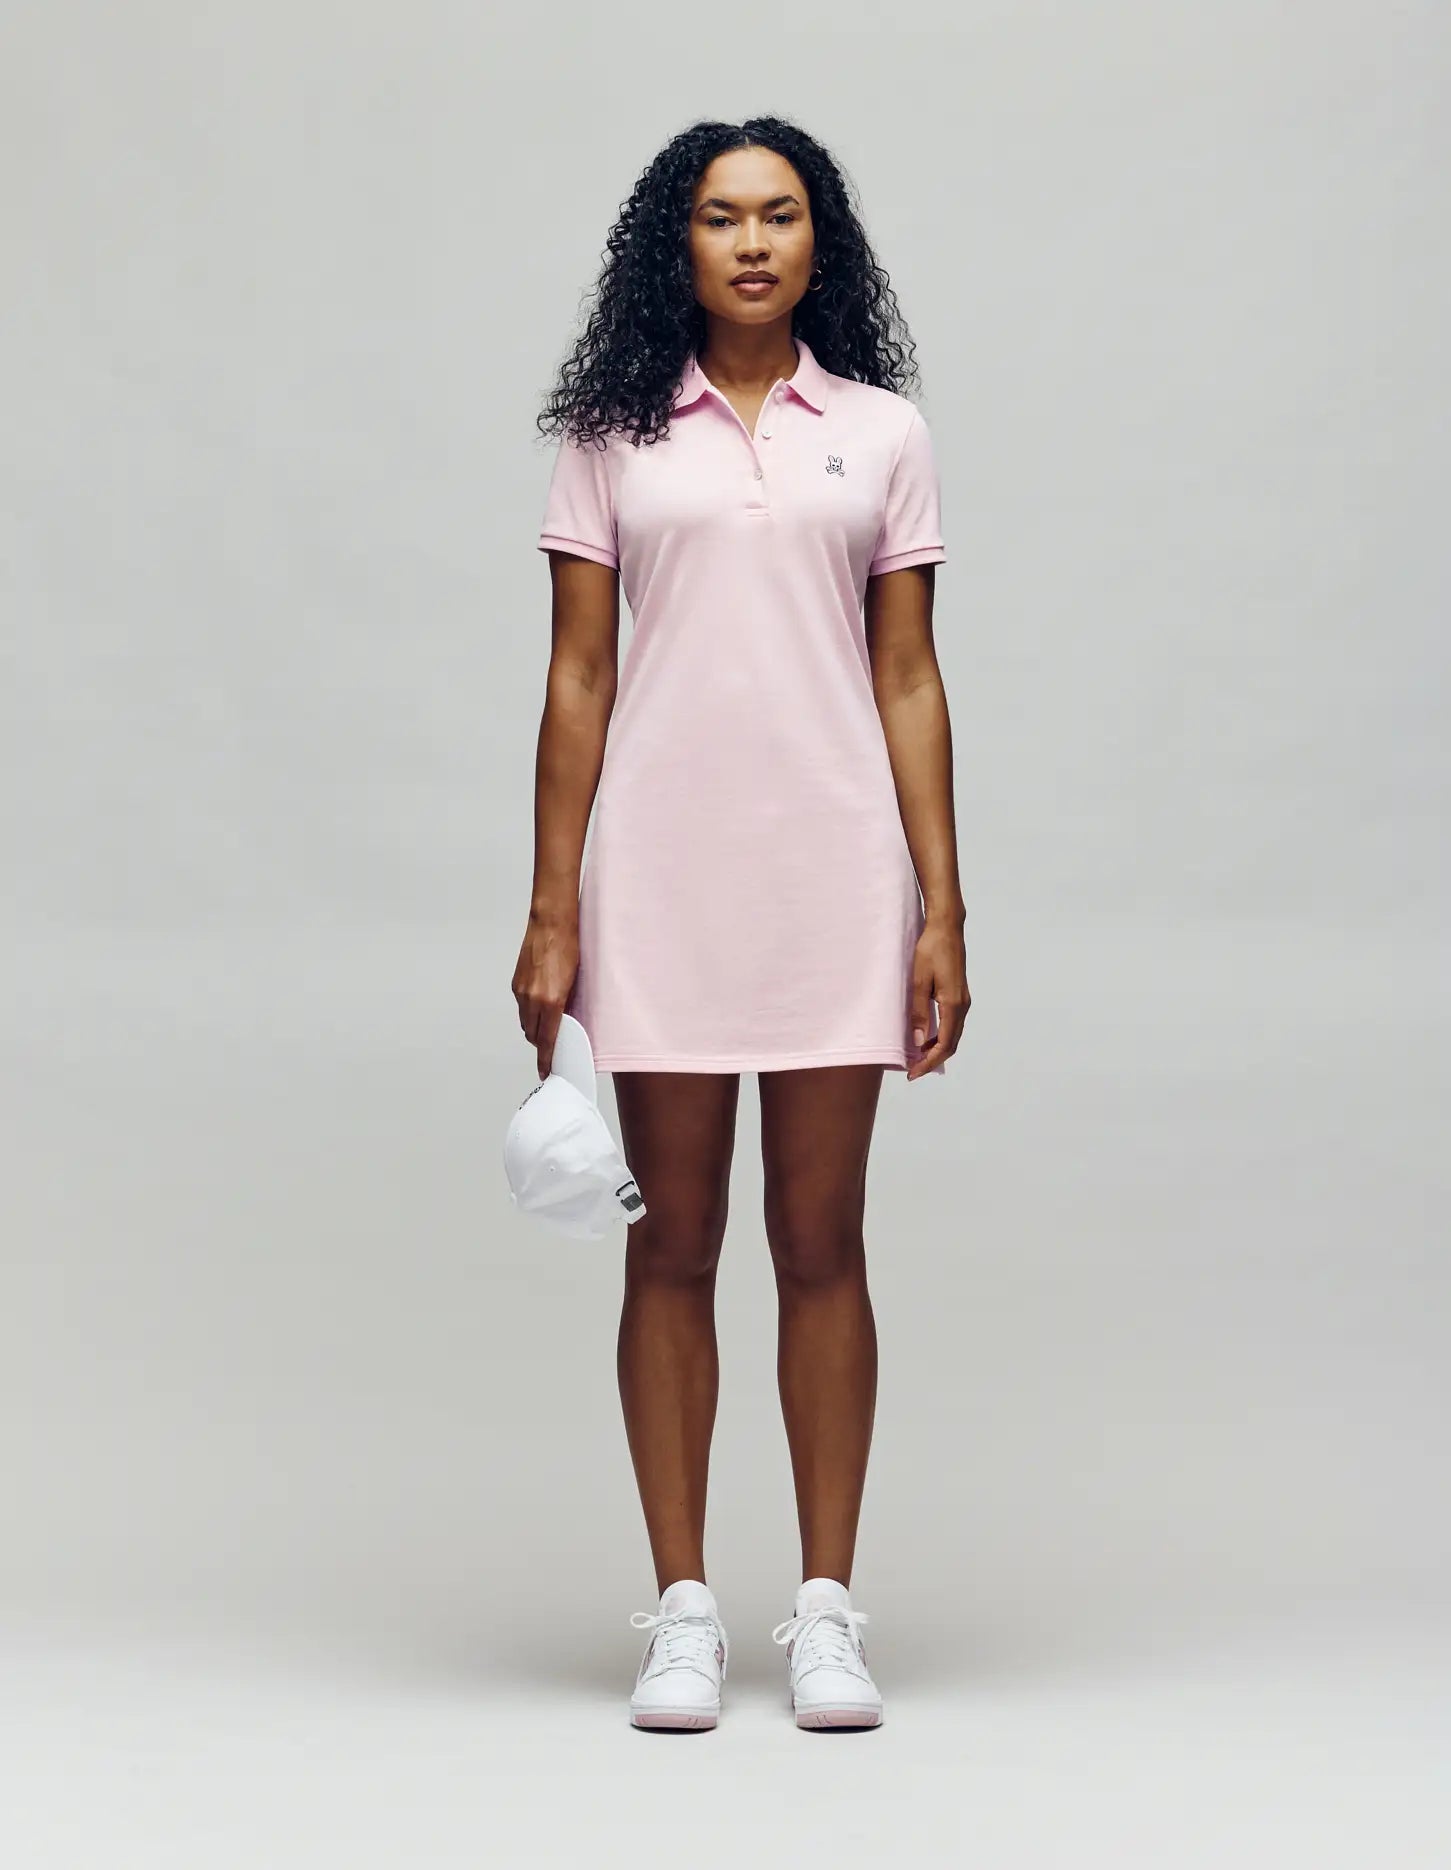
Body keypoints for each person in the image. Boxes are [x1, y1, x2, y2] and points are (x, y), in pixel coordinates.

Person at [513, 116, 971, 1731]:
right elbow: (581, 672)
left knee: (824, 1241)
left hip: (837, 876)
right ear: (679, 244)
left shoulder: (886, 432)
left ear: (818, 243)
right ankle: (688, 1611)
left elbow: (908, 675)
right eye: (722, 218)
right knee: (674, 1241)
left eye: (781, 216)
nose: (754, 243)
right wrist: (553, 903)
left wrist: (944, 906)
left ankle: (827, 1612)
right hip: (662, 878)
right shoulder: (612, 431)